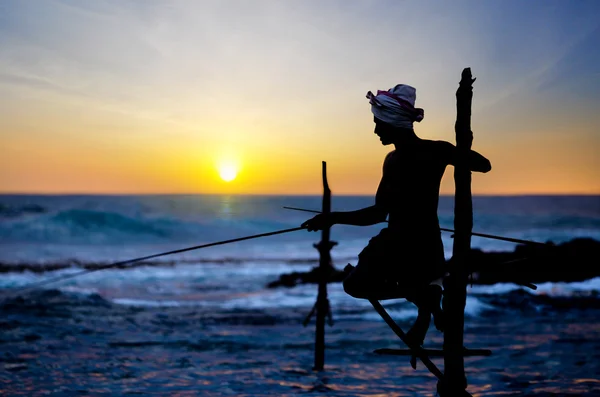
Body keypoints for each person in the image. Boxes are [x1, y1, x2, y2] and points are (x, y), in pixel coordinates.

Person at [301, 84, 491, 347]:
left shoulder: (406, 157)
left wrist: (331, 218)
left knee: (355, 285)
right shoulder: (432, 151)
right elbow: (483, 164)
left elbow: (378, 213)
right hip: (421, 244)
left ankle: (425, 299)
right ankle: (427, 297)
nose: (376, 130)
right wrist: (456, 153)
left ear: (393, 122)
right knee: (360, 283)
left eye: (378, 123)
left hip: (404, 244)